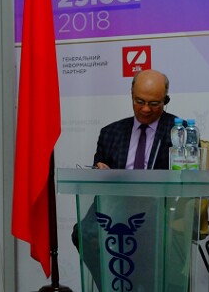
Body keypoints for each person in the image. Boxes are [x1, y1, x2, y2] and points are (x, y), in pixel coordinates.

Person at [72, 69, 178, 288]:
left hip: (156, 206)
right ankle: (111, 286)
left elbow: (184, 174)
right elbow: (98, 171)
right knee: (83, 233)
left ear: (165, 101)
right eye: (139, 101)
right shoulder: (111, 132)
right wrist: (101, 170)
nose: (146, 109)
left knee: (143, 238)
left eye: (154, 104)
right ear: (131, 95)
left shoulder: (178, 131)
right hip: (115, 204)